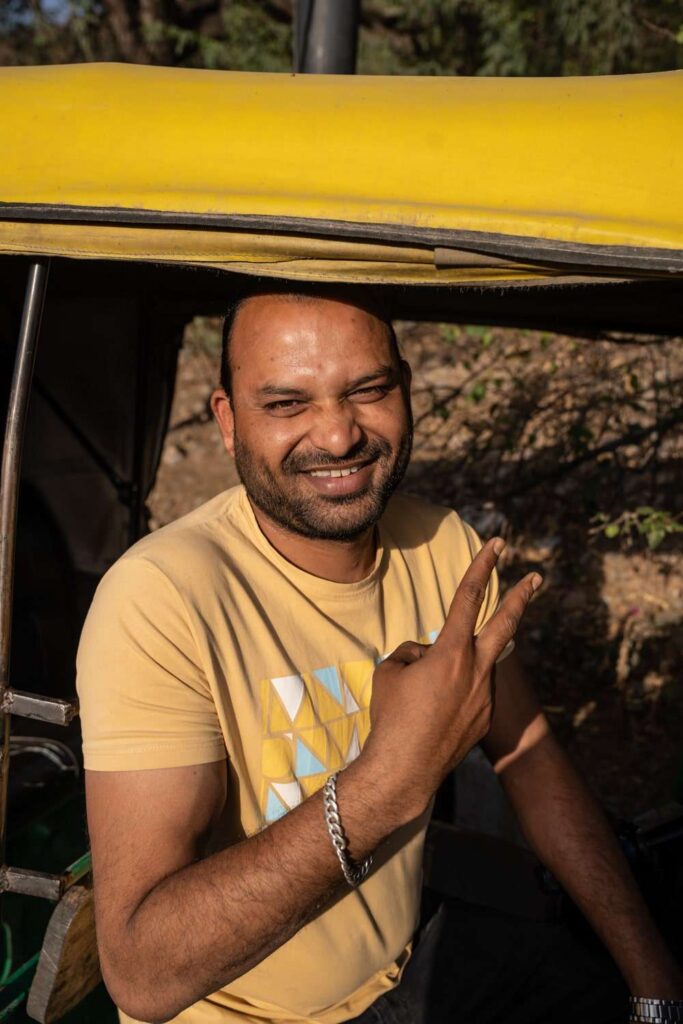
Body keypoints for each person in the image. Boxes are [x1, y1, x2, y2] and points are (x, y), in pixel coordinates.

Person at [77, 285, 682, 1024]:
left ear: (405, 390)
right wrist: (388, 783)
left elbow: (530, 759)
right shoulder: (161, 597)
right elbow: (141, 972)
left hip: (401, 968)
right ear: (228, 423)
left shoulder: (441, 550)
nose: (336, 436)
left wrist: (654, 987)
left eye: (367, 391)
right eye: (286, 405)